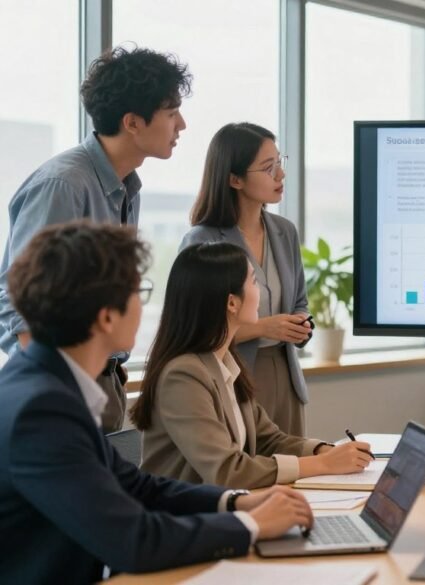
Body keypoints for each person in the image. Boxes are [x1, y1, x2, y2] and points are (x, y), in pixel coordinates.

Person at [0, 222, 315, 584]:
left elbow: (138, 487)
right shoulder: (40, 412)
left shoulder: (47, 385)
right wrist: (251, 525)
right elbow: (135, 540)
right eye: (139, 291)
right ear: (106, 316)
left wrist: (236, 502)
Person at [0, 45, 191, 433]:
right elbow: (21, 300)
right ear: (133, 122)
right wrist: (53, 397)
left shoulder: (125, 187)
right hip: (65, 389)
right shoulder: (64, 184)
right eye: (171, 113)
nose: (181, 125)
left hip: (104, 378)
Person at [131, 242, 371, 489]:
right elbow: (226, 471)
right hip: (180, 520)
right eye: (254, 282)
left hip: (220, 510)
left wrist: (325, 450)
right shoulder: (183, 376)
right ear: (232, 303)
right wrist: (324, 465)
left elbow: (269, 440)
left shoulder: (224, 362)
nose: (262, 293)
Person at [181, 122, 312, 435]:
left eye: (280, 163)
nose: (280, 175)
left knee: (295, 470)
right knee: (252, 474)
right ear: (234, 178)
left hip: (286, 372)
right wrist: (264, 328)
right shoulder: (202, 240)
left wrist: (301, 323)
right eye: (268, 168)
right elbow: (195, 330)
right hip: (234, 375)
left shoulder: (284, 231)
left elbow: (299, 301)